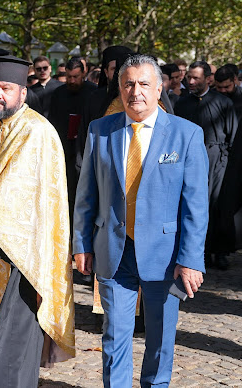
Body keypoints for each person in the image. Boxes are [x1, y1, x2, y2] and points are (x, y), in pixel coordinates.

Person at [73, 54, 208, 387]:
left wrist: (190, 260)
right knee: (114, 338)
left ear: (159, 89)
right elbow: (86, 195)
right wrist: (81, 243)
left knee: (160, 342)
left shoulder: (186, 135)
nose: (136, 91)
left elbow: (196, 206)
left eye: (144, 84)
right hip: (114, 253)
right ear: (119, 89)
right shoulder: (99, 131)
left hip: (166, 257)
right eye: (128, 84)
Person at [0, 56, 75, 386]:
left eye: (6, 88)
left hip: (22, 257)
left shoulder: (35, 130)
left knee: (10, 340)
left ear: (22, 92)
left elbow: (15, 186)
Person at [174, 61, 237, 270]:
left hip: (216, 160)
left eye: (196, 78)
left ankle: (218, 251)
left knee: (217, 207)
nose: (190, 82)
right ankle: (197, 252)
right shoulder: (182, 103)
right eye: (189, 78)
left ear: (208, 79)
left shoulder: (222, 102)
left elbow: (232, 135)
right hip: (187, 160)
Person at [48, 57, 96, 223]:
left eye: (76, 77)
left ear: (84, 74)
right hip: (63, 153)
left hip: (85, 152)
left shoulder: (93, 93)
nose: (72, 81)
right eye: (69, 77)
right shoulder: (58, 94)